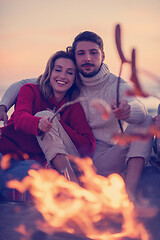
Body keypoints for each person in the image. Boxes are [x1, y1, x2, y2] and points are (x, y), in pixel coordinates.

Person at [0, 31, 153, 201]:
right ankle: (73, 190)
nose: (87, 58)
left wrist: (127, 110)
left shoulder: (115, 85)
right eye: (81, 53)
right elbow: (23, 84)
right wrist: (3, 105)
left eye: (93, 52)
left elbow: (139, 108)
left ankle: (129, 195)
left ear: (102, 55)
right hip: (76, 159)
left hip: (109, 157)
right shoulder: (71, 80)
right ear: (75, 56)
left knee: (146, 120)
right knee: (46, 116)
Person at [0, 50, 96, 198]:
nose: (62, 76)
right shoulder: (30, 90)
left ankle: (73, 190)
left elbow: (88, 145)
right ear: (49, 72)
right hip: (5, 150)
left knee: (36, 179)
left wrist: (57, 124)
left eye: (70, 73)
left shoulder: (73, 105)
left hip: (31, 163)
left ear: (75, 78)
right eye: (58, 70)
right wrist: (39, 123)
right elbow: (19, 119)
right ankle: (74, 189)